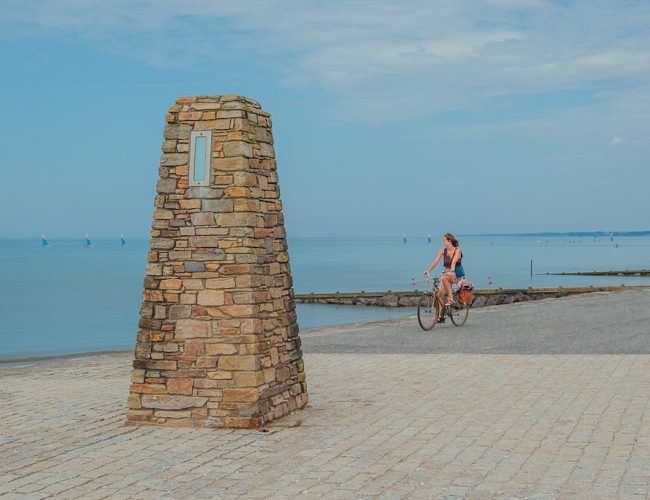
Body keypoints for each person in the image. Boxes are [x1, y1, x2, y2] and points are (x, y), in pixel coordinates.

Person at [423, 233, 465, 322]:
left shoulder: (457, 250)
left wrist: (452, 271)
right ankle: (441, 316)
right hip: (447, 274)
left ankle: (451, 299)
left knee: (443, 278)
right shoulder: (442, 251)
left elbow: (453, 262)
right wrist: (428, 271)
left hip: (456, 274)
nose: (443, 242)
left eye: (444, 241)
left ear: (449, 241)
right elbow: (435, 261)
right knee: (439, 294)